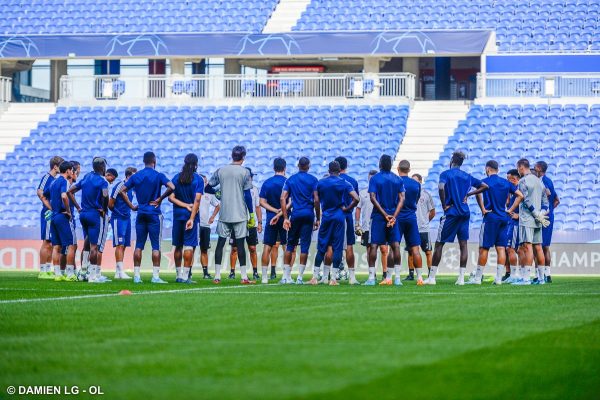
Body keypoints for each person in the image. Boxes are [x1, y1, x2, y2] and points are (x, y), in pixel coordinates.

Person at [425, 151, 488, 285]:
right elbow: (484, 186)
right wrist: (469, 194)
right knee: (463, 244)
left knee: (439, 243)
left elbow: (441, 187)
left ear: (452, 161)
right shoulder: (467, 176)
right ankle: (461, 279)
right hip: (465, 212)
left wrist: (444, 205)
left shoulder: (445, 174)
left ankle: (432, 278)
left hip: (452, 212)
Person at [121, 151, 175, 284]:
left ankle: (137, 276)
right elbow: (172, 186)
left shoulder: (136, 175)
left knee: (139, 245)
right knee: (156, 245)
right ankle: (155, 277)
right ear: (154, 161)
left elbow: (122, 190)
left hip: (141, 212)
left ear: (144, 161)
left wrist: (132, 206)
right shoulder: (158, 175)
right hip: (154, 213)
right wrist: (160, 199)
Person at [205, 146, 256, 285]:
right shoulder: (245, 172)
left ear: (232, 156)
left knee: (220, 244)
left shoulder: (221, 170)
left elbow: (208, 187)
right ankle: (244, 277)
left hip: (224, 213)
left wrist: (218, 193)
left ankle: (216, 276)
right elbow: (247, 195)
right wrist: (251, 214)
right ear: (243, 157)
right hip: (239, 213)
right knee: (240, 245)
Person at [470, 160, 523, 285]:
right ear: (497, 170)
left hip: (490, 218)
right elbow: (520, 195)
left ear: (488, 169)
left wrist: (482, 208)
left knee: (484, 248)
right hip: (503, 218)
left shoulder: (485, 182)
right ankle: (498, 278)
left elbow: (478, 193)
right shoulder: (505, 182)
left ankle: (477, 278)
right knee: (501, 249)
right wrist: (510, 210)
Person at [310, 161, 359, 285]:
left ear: (329, 170)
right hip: (339, 216)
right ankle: (333, 279)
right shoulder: (344, 183)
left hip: (326, 216)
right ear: (340, 170)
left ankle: (315, 277)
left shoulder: (320, 183)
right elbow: (356, 198)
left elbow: (316, 200)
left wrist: (318, 217)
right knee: (337, 247)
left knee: (322, 246)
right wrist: (347, 208)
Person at [364, 154, 405, 286]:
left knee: (374, 245)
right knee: (395, 245)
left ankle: (371, 278)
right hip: (393, 216)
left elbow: (372, 197)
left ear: (380, 164)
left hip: (378, 217)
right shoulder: (397, 179)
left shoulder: (375, 178)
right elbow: (402, 199)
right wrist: (394, 216)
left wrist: (384, 214)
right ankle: (397, 278)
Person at [68, 157, 110, 283]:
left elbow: (70, 191)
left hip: (83, 214)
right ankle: (93, 276)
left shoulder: (86, 177)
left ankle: (83, 273)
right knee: (94, 247)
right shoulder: (103, 182)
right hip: (94, 215)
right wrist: (103, 209)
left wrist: (78, 207)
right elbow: (105, 195)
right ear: (102, 167)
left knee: (86, 242)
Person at [280, 157, 319, 284]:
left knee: (290, 245)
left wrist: (286, 217)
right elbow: (317, 200)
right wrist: (318, 218)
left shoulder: (291, 179)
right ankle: (300, 277)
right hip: (308, 214)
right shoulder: (313, 180)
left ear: (298, 165)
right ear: (308, 166)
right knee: (305, 246)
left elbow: (282, 198)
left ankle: (286, 276)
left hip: (295, 214)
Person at [513, 159, 550, 285]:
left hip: (527, 218)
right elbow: (546, 202)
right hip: (539, 218)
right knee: (538, 247)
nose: (518, 171)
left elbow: (526, 200)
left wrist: (535, 213)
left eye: (518, 168)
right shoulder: (539, 181)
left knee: (527, 247)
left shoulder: (523, 181)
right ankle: (541, 278)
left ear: (521, 167)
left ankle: (526, 278)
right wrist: (542, 213)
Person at [386, 160, 423, 286]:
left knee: (393, 248)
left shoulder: (393, 182)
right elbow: (417, 199)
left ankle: (391, 277)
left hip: (397, 217)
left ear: (398, 168)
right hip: (411, 217)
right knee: (415, 249)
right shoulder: (416, 184)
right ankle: (420, 278)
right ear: (409, 169)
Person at [169, 153, 203, 284]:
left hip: (177, 216)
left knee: (178, 246)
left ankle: (178, 275)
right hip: (190, 217)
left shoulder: (176, 178)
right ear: (196, 164)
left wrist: (183, 205)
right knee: (189, 246)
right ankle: (185, 276)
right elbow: (197, 199)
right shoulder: (198, 179)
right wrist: (192, 218)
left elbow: (171, 198)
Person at [229, 167, 262, 280]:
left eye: (251, 176)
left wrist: (260, 222)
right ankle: (232, 272)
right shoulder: (235, 189)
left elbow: (257, 207)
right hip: (237, 221)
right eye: (250, 176)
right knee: (234, 248)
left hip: (250, 223)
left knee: (252, 247)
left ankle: (255, 272)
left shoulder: (255, 189)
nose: (251, 178)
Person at [331, 156, 360, 284]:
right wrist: (348, 208)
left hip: (333, 216)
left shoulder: (329, 180)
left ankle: (330, 275)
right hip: (347, 216)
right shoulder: (352, 181)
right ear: (346, 166)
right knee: (349, 247)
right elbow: (356, 199)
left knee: (331, 246)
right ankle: (352, 278)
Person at [355, 170, 389, 280]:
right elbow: (358, 209)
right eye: (371, 178)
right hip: (366, 226)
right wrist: (357, 224)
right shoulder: (363, 192)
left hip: (381, 223)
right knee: (369, 250)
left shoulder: (382, 191)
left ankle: (385, 274)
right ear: (368, 179)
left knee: (384, 249)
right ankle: (372, 273)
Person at [259, 157, 288, 284]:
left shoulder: (267, 183)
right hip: (286, 217)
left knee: (267, 246)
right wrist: (281, 212)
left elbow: (261, 202)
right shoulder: (288, 182)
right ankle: (286, 276)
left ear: (274, 168)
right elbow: (291, 202)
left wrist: (274, 211)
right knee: (287, 247)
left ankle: (264, 277)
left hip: (271, 217)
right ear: (284, 168)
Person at [46, 161, 76, 281]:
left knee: (56, 246)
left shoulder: (53, 182)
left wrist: (52, 208)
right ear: (68, 170)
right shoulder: (64, 181)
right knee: (71, 244)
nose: (72, 173)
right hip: (62, 217)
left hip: (54, 216)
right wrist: (68, 211)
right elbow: (64, 196)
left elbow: (44, 194)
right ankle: (69, 274)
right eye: (72, 170)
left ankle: (57, 274)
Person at [36, 156, 64, 279]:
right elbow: (40, 193)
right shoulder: (47, 177)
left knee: (52, 242)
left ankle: (47, 268)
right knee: (47, 242)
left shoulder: (55, 179)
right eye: (61, 165)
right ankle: (43, 270)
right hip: (48, 213)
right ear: (55, 167)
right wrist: (51, 208)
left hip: (53, 213)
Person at [109, 167, 138, 280]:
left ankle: (118, 271)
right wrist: (118, 213)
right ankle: (121, 271)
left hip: (127, 218)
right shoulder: (120, 186)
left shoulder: (132, 188)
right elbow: (110, 204)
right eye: (134, 176)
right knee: (120, 244)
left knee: (125, 244)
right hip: (118, 218)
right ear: (128, 176)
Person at [405, 173, 435, 281]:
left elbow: (432, 212)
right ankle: (411, 274)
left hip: (423, 228)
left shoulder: (426, 195)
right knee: (410, 251)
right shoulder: (407, 193)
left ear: (421, 182)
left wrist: (425, 221)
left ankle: (430, 274)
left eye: (415, 181)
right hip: (412, 227)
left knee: (427, 251)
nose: (413, 183)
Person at [535, 160, 560, 283]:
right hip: (549, 217)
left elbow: (551, 197)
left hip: (541, 216)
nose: (533, 170)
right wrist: (550, 211)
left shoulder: (541, 182)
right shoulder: (549, 181)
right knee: (545, 247)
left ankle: (538, 275)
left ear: (539, 168)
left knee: (537, 246)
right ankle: (547, 274)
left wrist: (544, 212)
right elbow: (557, 200)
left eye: (535, 168)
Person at [198, 174, 220, 279]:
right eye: (203, 181)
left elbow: (218, 205)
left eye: (205, 181)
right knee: (191, 248)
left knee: (204, 249)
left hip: (205, 225)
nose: (205, 183)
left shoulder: (208, 194)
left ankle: (205, 272)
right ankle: (188, 272)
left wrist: (212, 217)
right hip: (195, 224)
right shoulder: (193, 193)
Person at [503, 169, 522, 283]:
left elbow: (527, 205)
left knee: (511, 249)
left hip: (516, 224)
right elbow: (507, 205)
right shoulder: (513, 191)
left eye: (508, 179)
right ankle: (510, 273)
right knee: (507, 249)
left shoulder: (520, 190)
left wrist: (519, 216)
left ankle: (515, 274)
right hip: (509, 223)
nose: (507, 181)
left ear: (514, 179)